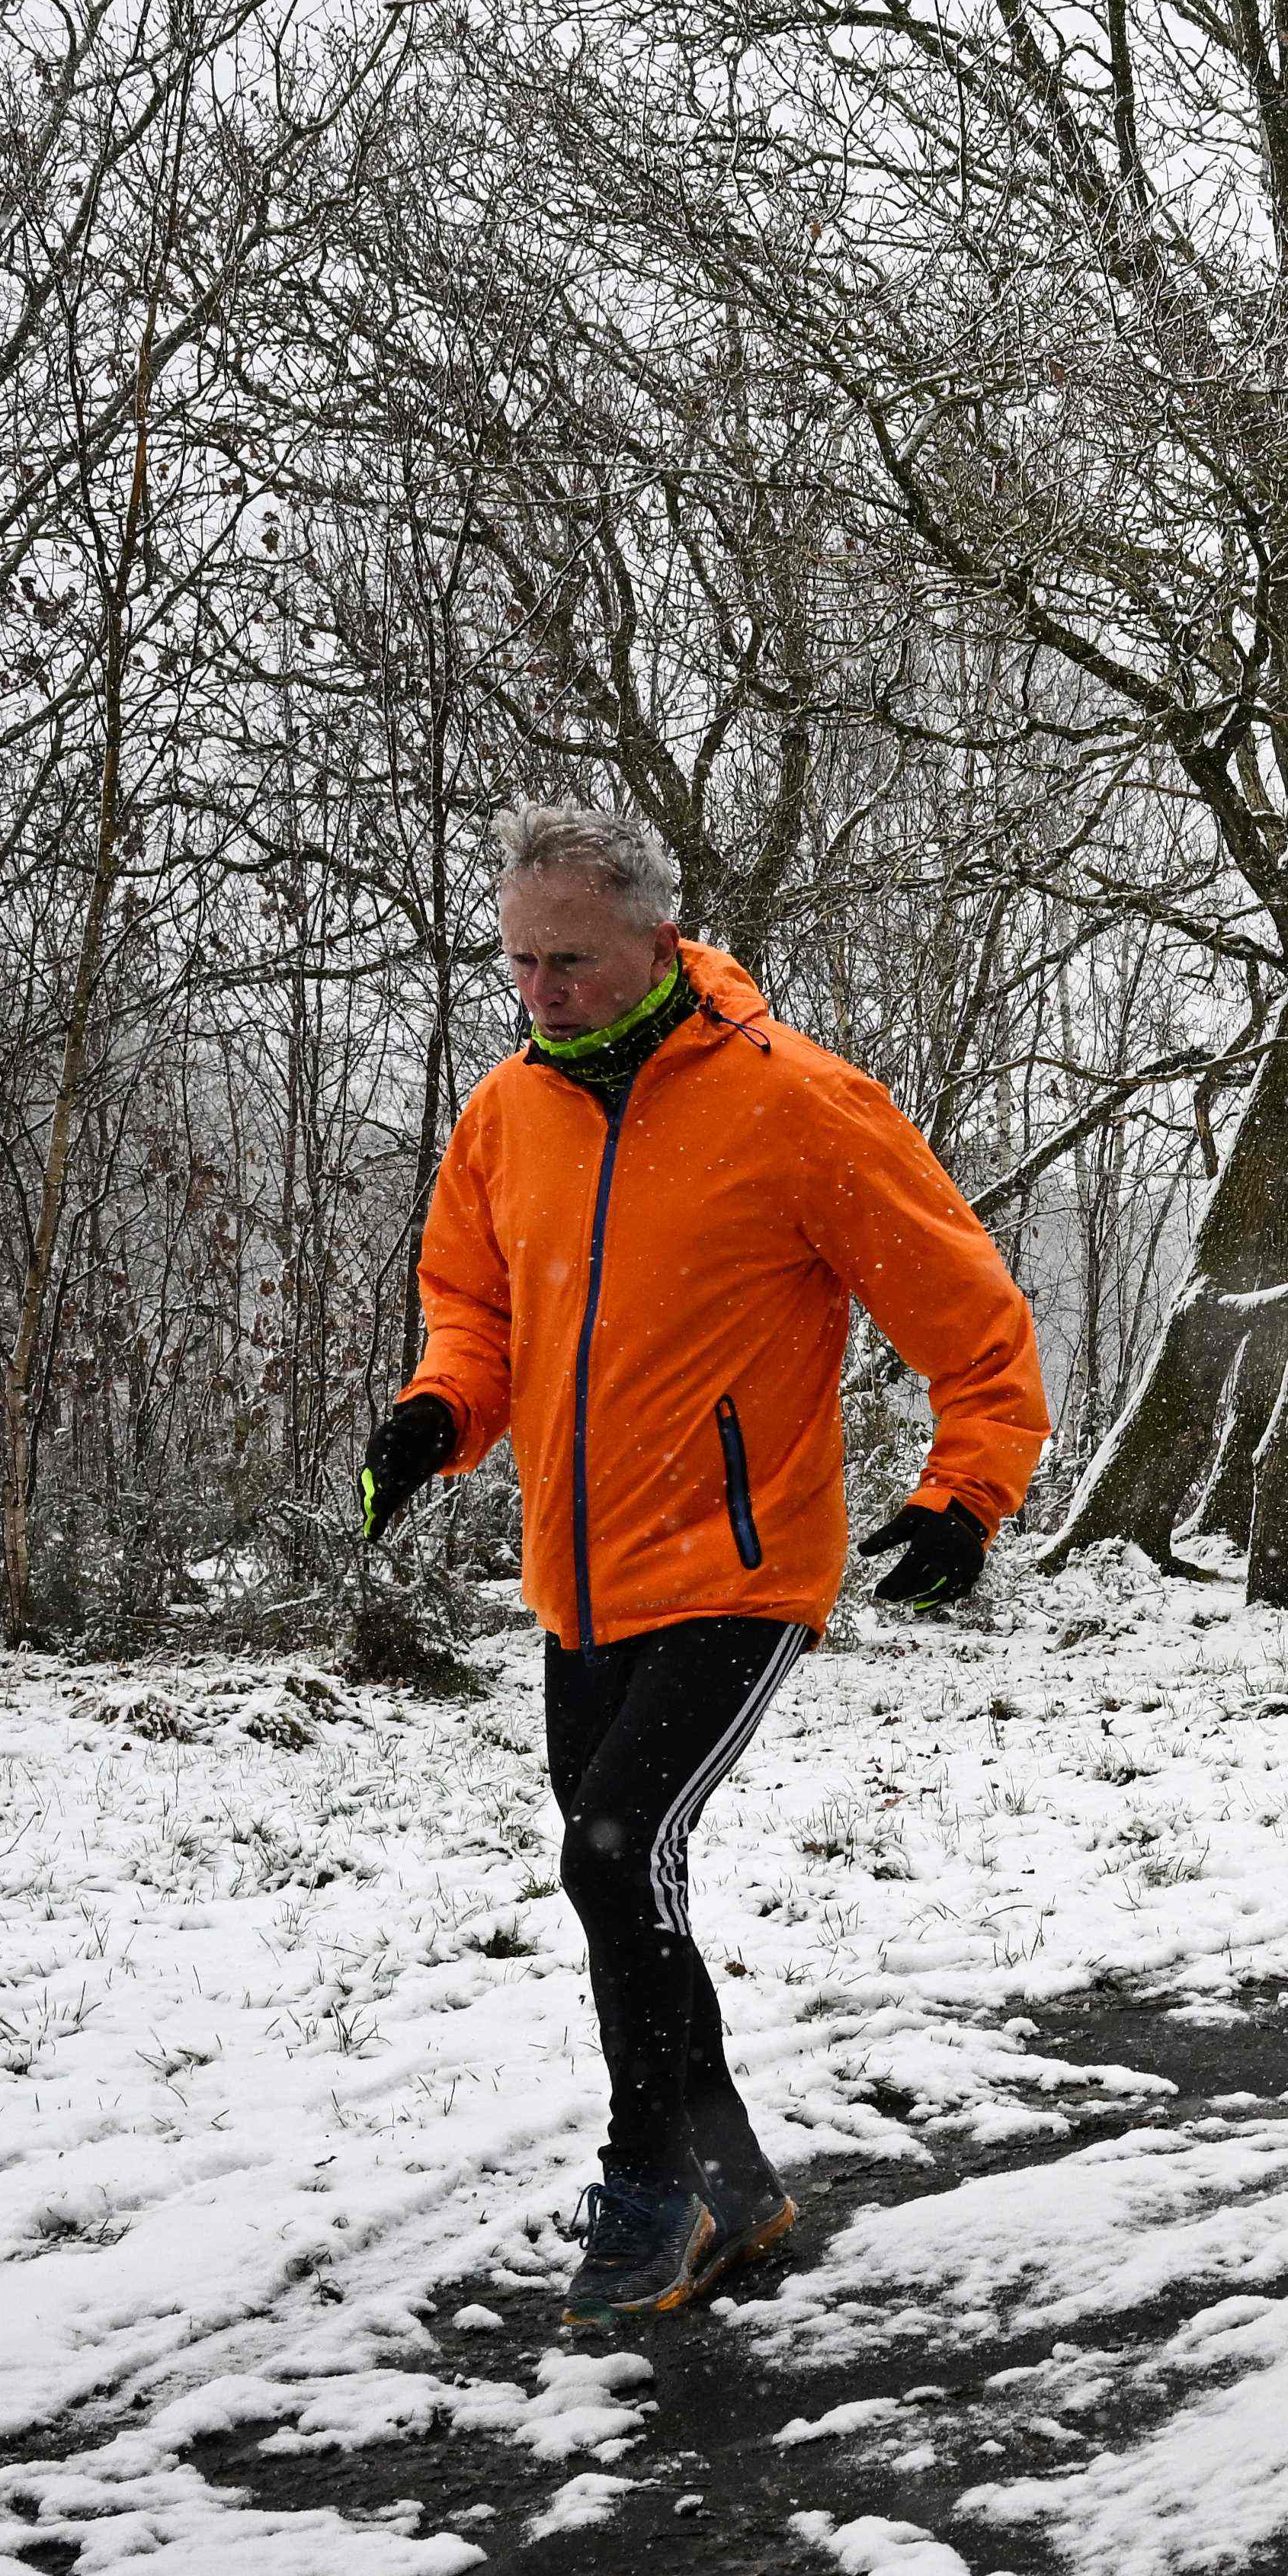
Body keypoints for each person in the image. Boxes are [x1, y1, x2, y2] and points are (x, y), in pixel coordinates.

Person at [357, 803, 1052, 2328]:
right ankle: (737, 2185)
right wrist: (436, 1414)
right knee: (634, 1894)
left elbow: (972, 1319)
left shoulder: (800, 1104)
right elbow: (477, 1316)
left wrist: (964, 1495)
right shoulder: (504, 1116)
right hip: (576, 1577)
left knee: (614, 1854)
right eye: (519, 961)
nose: (540, 992)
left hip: (740, 1573)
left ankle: (650, 2186)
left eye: (573, 961)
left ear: (660, 940)